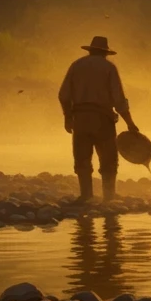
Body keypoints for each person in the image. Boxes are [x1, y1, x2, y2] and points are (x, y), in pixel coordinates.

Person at [58, 35, 139, 203]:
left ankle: (86, 196)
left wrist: (68, 117)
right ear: (105, 53)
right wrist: (130, 123)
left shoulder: (76, 66)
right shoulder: (109, 67)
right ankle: (108, 197)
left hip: (80, 119)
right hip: (103, 119)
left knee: (82, 159)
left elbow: (64, 95)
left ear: (90, 50)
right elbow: (119, 100)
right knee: (108, 159)